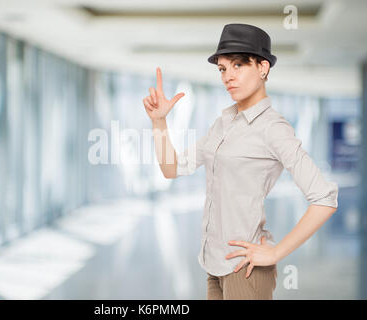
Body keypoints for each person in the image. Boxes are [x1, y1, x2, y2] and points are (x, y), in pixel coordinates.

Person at [142, 23, 339, 300]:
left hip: (245, 270)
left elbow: (325, 198)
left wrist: (275, 252)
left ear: (262, 68)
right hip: (214, 266)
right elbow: (171, 168)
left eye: (238, 65)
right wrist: (159, 122)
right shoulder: (223, 124)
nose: (228, 76)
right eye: (223, 68)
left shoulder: (274, 128)